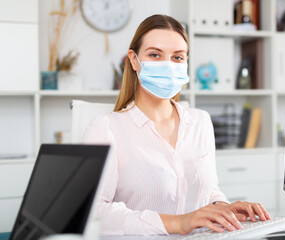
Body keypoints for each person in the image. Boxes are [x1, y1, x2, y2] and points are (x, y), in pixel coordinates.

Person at [83, 14, 271, 236]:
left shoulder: (200, 121)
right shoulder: (107, 128)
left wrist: (222, 207)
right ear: (134, 60)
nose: (168, 66)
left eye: (177, 57)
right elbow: (93, 212)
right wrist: (176, 223)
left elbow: (208, 191)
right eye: (155, 55)